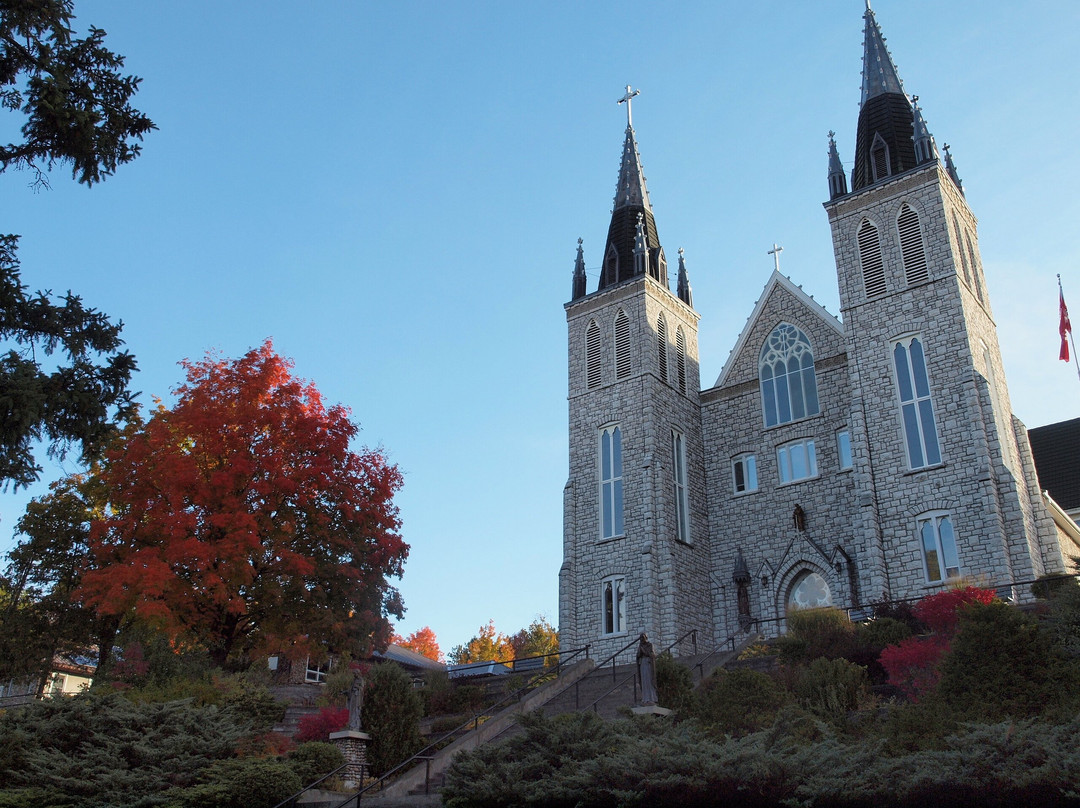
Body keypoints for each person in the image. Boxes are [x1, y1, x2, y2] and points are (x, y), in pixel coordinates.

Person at [636, 633, 658, 706]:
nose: (642, 640)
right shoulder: (640, 646)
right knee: (644, 681)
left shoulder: (650, 645)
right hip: (642, 664)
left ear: (646, 638)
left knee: (649, 681)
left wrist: (644, 652)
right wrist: (640, 652)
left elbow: (652, 655)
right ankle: (645, 699)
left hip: (648, 664)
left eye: (643, 638)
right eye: (640, 638)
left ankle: (651, 698)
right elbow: (638, 655)